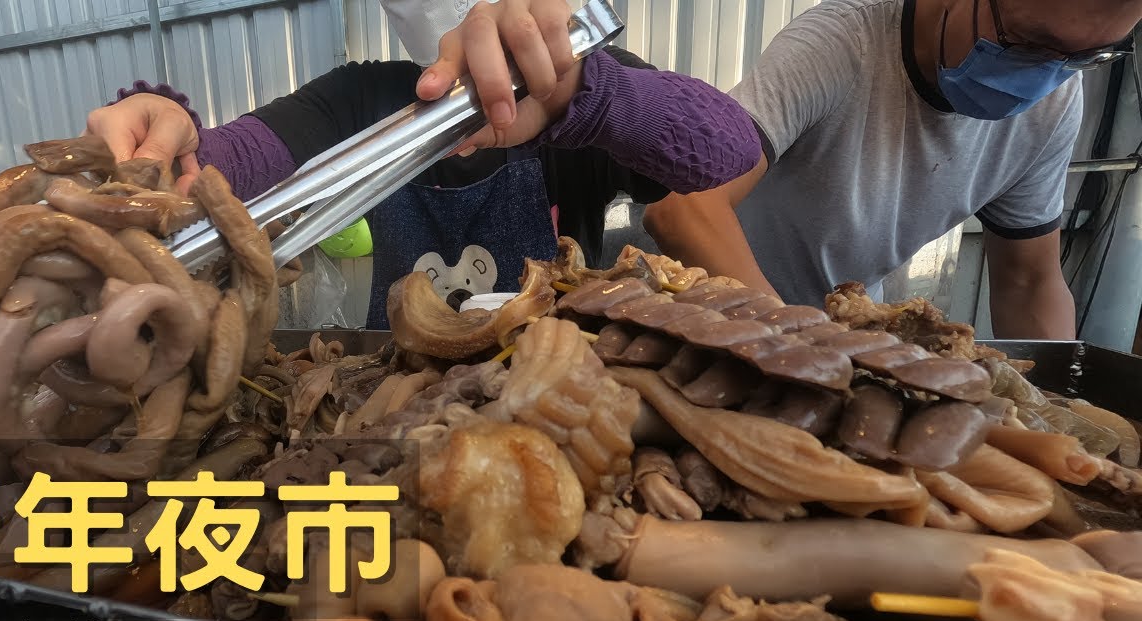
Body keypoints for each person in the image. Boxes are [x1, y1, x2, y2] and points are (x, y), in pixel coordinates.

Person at [85, 0, 761, 329]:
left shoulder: (582, 91)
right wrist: (160, 128)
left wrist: (580, 97)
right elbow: (217, 169)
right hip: (395, 402)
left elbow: (730, 150)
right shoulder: (360, 102)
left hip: (558, 398)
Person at [638, 0, 1140, 340]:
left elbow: (1030, 283)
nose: (1044, 76)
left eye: (1085, 57)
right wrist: (798, 345)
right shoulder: (841, 45)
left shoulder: (1053, 103)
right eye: (1027, 42)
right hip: (710, 325)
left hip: (843, 340)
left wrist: (1057, 415)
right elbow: (686, 211)